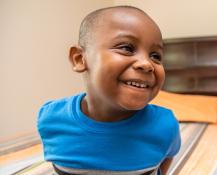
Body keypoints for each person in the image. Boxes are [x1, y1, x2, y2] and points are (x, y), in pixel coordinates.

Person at [37, 6, 181, 175]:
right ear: (79, 59)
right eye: (127, 48)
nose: (146, 63)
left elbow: (167, 156)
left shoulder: (165, 124)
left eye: (155, 56)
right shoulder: (50, 118)